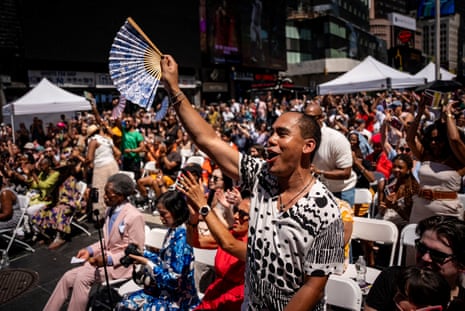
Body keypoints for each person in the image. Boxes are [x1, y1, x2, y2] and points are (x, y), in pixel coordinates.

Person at [161, 55, 344, 310]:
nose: (270, 139)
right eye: (271, 132)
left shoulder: (326, 210)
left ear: (308, 146)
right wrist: (174, 89)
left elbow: (312, 286)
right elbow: (209, 141)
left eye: (282, 134)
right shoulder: (262, 176)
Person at [43, 173, 145, 311]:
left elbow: (136, 252)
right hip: (103, 261)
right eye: (105, 193)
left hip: (121, 267)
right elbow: (107, 241)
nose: (104, 197)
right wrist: (89, 250)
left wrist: (108, 259)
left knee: (83, 277)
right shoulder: (110, 210)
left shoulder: (134, 216)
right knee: (67, 277)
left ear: (120, 196)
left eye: (109, 194)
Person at [116, 190, 200, 311]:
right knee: (125, 303)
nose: (160, 218)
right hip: (164, 292)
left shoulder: (182, 239)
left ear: (175, 211)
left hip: (179, 300)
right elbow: (164, 261)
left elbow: (174, 281)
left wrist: (146, 262)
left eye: (163, 214)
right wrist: (142, 253)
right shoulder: (173, 230)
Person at [364, 215, 465, 311]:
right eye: (422, 248)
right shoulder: (392, 279)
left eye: (437, 255)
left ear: (461, 264)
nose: (425, 258)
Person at [180, 171, 249, 310]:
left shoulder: (256, 244)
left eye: (242, 214)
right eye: (236, 211)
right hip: (214, 296)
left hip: (233, 303)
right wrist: (193, 220)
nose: (236, 216)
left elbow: (229, 245)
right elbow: (194, 242)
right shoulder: (231, 234)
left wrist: (202, 205)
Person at [407, 99, 465, 223]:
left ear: (446, 140)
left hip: (446, 212)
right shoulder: (426, 155)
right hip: (420, 210)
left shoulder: (460, 160)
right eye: (431, 139)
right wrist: (420, 113)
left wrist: (449, 113)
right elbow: (410, 140)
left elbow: (455, 139)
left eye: (439, 140)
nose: (434, 143)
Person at [305, 102, 357, 206]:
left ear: (321, 118)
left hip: (341, 191)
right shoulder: (303, 137)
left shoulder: (336, 139)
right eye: (304, 118)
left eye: (311, 118)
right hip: (317, 189)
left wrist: (319, 172)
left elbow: (345, 173)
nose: (306, 122)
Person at [377, 153, 420, 230]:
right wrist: (383, 208)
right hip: (384, 221)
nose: (396, 170)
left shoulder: (413, 189)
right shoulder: (386, 184)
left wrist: (395, 207)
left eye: (400, 167)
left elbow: (410, 218)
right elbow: (381, 211)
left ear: (408, 170)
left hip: (402, 226)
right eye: (394, 167)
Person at [85, 124, 121, 215]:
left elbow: (89, 158)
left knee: (99, 192)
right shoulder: (107, 140)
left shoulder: (93, 141)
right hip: (113, 165)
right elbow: (118, 153)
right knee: (115, 189)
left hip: (101, 168)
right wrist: (112, 160)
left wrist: (84, 163)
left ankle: (101, 216)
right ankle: (118, 210)